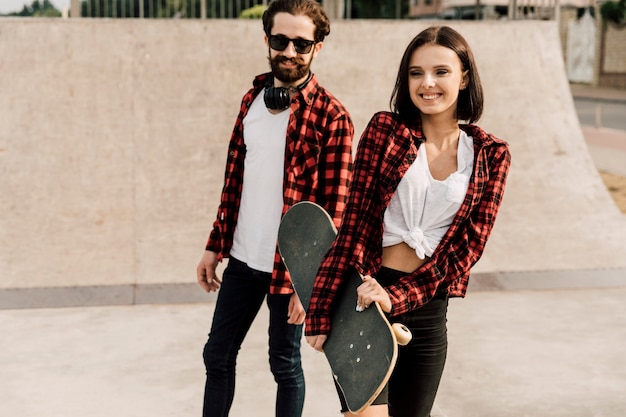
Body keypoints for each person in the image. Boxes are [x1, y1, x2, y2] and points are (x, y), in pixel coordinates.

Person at [305, 25, 511, 417]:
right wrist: (321, 307)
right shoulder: (386, 131)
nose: (427, 83)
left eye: (441, 71)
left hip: (428, 310)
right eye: (416, 73)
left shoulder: (490, 154)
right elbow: (354, 226)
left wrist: (397, 297)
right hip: (365, 301)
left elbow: (466, 251)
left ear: (464, 77)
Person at [196, 1, 354, 416]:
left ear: (317, 48)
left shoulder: (333, 117)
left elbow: (334, 209)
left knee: (283, 365)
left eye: (301, 44)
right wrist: (215, 246)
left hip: (291, 271)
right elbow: (234, 183)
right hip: (244, 261)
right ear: (267, 40)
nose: (289, 51)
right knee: (217, 356)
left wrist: (313, 281)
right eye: (280, 40)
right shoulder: (251, 101)